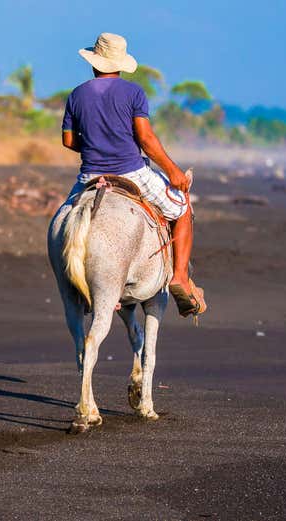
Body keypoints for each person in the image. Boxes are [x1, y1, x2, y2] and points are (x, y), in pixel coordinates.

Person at [61, 32, 206, 317]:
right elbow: (146, 140)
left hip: (89, 175)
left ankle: (76, 287)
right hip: (132, 172)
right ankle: (180, 277)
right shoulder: (133, 93)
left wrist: (93, 146)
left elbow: (68, 140)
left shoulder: (77, 94)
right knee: (182, 208)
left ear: (93, 62)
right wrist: (174, 172)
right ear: (120, 64)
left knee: (66, 217)